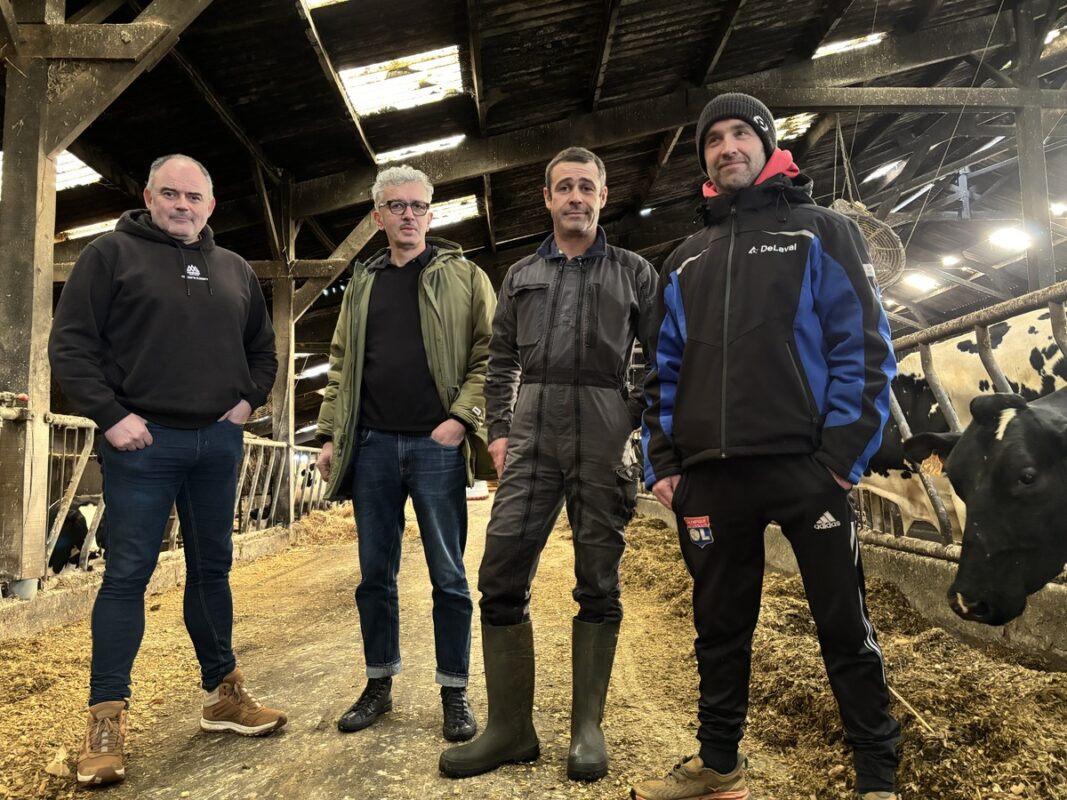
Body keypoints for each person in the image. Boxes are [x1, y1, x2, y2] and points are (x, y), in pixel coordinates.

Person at [632, 93, 901, 800]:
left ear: (767, 143)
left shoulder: (820, 232)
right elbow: (658, 366)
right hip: (710, 478)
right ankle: (718, 762)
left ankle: (875, 774)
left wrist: (840, 460)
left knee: (842, 625)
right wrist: (661, 463)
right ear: (704, 160)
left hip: (804, 469)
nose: (727, 147)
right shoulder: (686, 257)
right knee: (718, 628)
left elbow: (865, 348)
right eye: (712, 139)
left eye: (739, 134)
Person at [49, 154, 286, 787]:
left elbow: (263, 348)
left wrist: (247, 401)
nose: (183, 205)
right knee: (128, 573)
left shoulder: (233, 268)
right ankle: (106, 717)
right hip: (142, 443)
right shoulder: (109, 255)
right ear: (149, 197)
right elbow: (70, 343)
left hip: (217, 441)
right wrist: (109, 415)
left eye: (195, 197)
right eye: (171, 194)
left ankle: (225, 693)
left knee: (213, 568)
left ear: (211, 206)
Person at [440, 147, 657, 783]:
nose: (575, 197)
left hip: (601, 423)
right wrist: (500, 432)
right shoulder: (520, 274)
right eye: (564, 187)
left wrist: (631, 415)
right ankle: (511, 728)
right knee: (500, 573)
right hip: (531, 431)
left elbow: (666, 355)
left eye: (586, 187)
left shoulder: (635, 272)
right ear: (547, 198)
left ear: (603, 195)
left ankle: (587, 726)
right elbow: (500, 355)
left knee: (599, 578)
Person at [314, 164, 496, 744]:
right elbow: (341, 361)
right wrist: (329, 433)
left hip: (435, 446)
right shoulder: (362, 283)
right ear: (378, 216)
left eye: (418, 206)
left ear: (431, 213)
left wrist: (459, 421)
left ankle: (454, 690)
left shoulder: (466, 277)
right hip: (369, 445)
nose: (408, 215)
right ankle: (378, 684)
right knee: (375, 575)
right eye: (396, 207)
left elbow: (490, 356)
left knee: (448, 574)